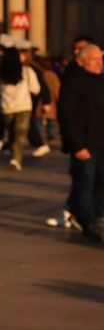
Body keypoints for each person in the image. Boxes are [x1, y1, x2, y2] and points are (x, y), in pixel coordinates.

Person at [58, 41, 104, 241]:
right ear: (81, 61)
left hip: (102, 142)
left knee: (101, 183)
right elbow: (68, 116)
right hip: (85, 144)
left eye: (100, 59)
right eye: (93, 60)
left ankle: (99, 217)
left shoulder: (100, 80)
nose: (98, 63)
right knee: (85, 182)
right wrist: (77, 145)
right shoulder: (73, 82)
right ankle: (88, 222)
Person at [0, 45, 40, 172]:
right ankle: (16, 158)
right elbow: (35, 89)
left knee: (12, 131)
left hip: (6, 107)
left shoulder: (0, 72)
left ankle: (13, 154)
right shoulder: (27, 71)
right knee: (20, 133)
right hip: (23, 106)